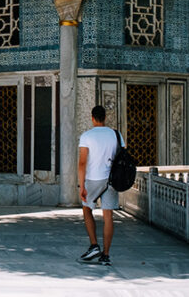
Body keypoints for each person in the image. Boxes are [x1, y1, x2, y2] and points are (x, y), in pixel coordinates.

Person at [78, 104, 124, 266]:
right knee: (108, 216)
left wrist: (81, 185)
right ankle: (106, 255)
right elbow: (121, 156)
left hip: (93, 179)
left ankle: (94, 245)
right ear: (105, 117)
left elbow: (82, 163)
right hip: (111, 180)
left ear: (92, 118)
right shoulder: (116, 135)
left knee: (87, 209)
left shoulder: (86, 136)